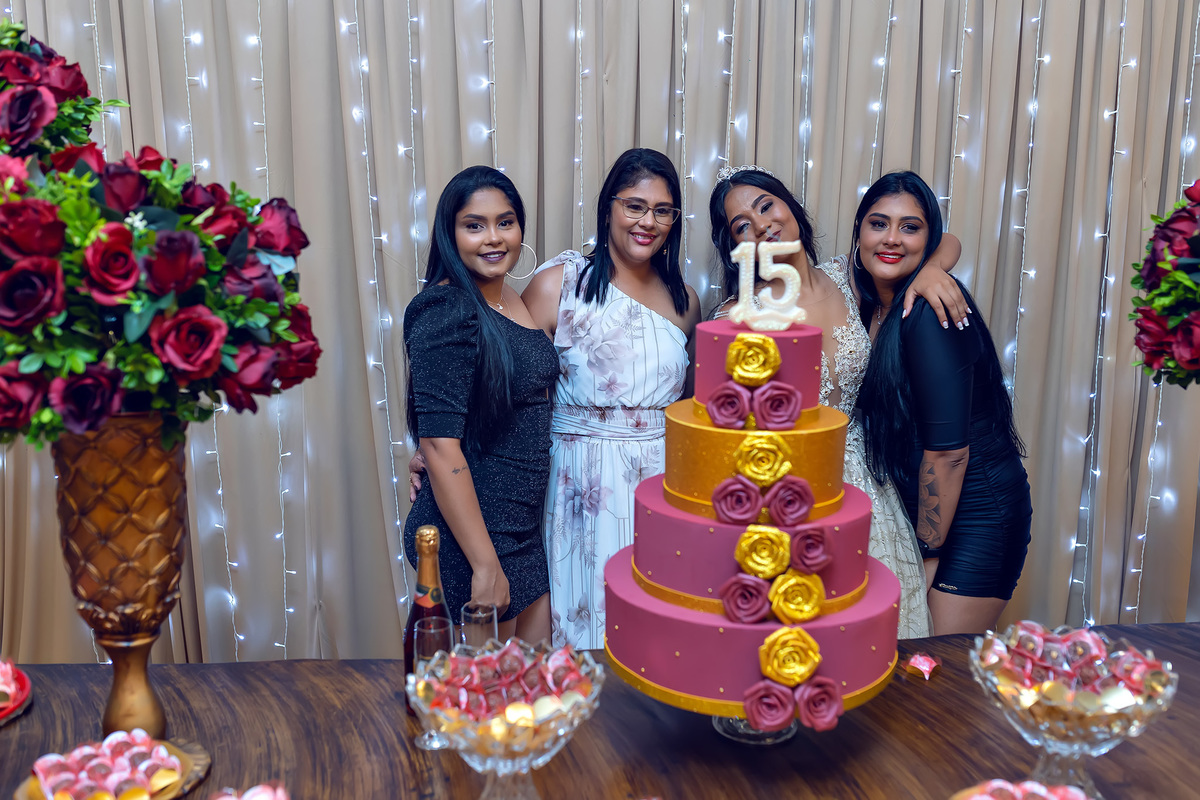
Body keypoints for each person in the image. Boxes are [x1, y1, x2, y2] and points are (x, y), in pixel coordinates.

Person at [708, 164, 966, 638]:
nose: (761, 225)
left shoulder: (848, 277)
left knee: (881, 637)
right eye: (742, 225)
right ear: (735, 246)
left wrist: (932, 269)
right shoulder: (737, 317)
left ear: (791, 207)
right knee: (809, 635)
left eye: (766, 206)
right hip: (792, 494)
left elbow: (944, 241)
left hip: (870, 483)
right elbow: (723, 435)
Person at [522, 148, 701, 648]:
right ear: (608, 209)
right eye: (635, 206)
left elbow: (690, 409)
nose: (648, 222)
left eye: (663, 211)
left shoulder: (685, 300)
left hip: (661, 480)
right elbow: (513, 391)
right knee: (586, 623)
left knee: (657, 633)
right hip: (580, 477)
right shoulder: (559, 284)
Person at [853, 171, 1031, 635]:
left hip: (976, 516)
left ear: (927, 240)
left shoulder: (928, 314)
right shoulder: (870, 301)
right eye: (879, 224)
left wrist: (925, 554)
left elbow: (949, 455)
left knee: (937, 665)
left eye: (910, 227)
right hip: (925, 513)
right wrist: (935, 263)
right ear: (859, 233)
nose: (892, 238)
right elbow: (948, 241)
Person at [402, 165, 555, 643]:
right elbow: (440, 444)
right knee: (486, 688)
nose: (493, 238)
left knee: (533, 683)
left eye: (505, 222)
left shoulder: (510, 297)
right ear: (450, 235)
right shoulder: (446, 309)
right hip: (474, 537)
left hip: (519, 527)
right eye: (474, 225)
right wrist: (485, 564)